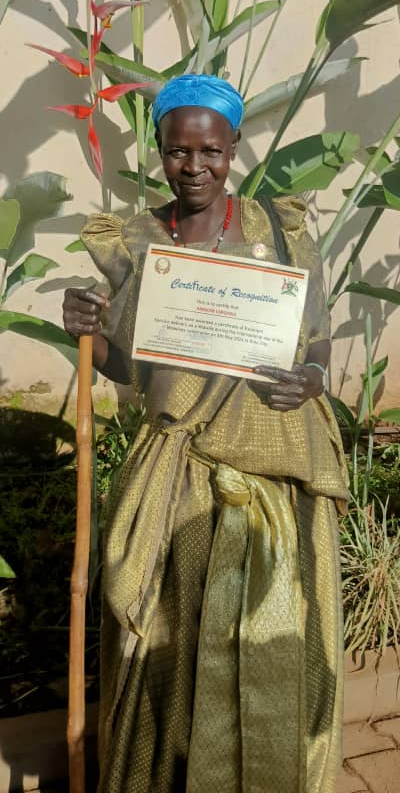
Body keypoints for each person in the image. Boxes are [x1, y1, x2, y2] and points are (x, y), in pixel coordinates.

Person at [63, 74, 349, 793]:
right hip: (178, 464)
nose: (195, 169)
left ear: (234, 148)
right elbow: (132, 365)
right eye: (177, 153)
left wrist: (311, 379)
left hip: (273, 464)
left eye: (211, 152)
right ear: (159, 151)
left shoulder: (277, 230)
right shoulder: (135, 240)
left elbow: (315, 337)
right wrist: (91, 333)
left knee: (263, 631)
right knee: (175, 637)